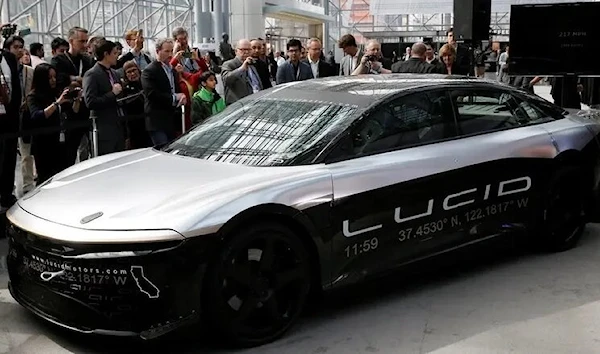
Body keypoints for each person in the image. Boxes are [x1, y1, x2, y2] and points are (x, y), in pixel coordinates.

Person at [26, 63, 81, 184]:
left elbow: (72, 112)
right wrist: (57, 103)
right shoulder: (33, 96)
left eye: (54, 77)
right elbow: (37, 116)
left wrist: (76, 99)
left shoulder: (56, 92)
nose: (53, 80)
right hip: (43, 143)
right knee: (46, 178)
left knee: (63, 175)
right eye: (49, 77)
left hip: (61, 141)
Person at [83, 39, 126, 155]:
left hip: (117, 126)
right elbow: (90, 102)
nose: (117, 56)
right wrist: (112, 94)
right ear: (106, 54)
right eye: (115, 53)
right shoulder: (91, 74)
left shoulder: (115, 73)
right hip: (102, 129)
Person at [141, 38, 186, 145]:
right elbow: (152, 94)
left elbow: (176, 90)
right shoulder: (149, 71)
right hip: (157, 120)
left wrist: (182, 96)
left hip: (171, 119)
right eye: (166, 51)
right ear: (158, 51)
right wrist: (175, 97)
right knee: (162, 147)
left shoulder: (173, 70)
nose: (170, 54)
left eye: (171, 51)